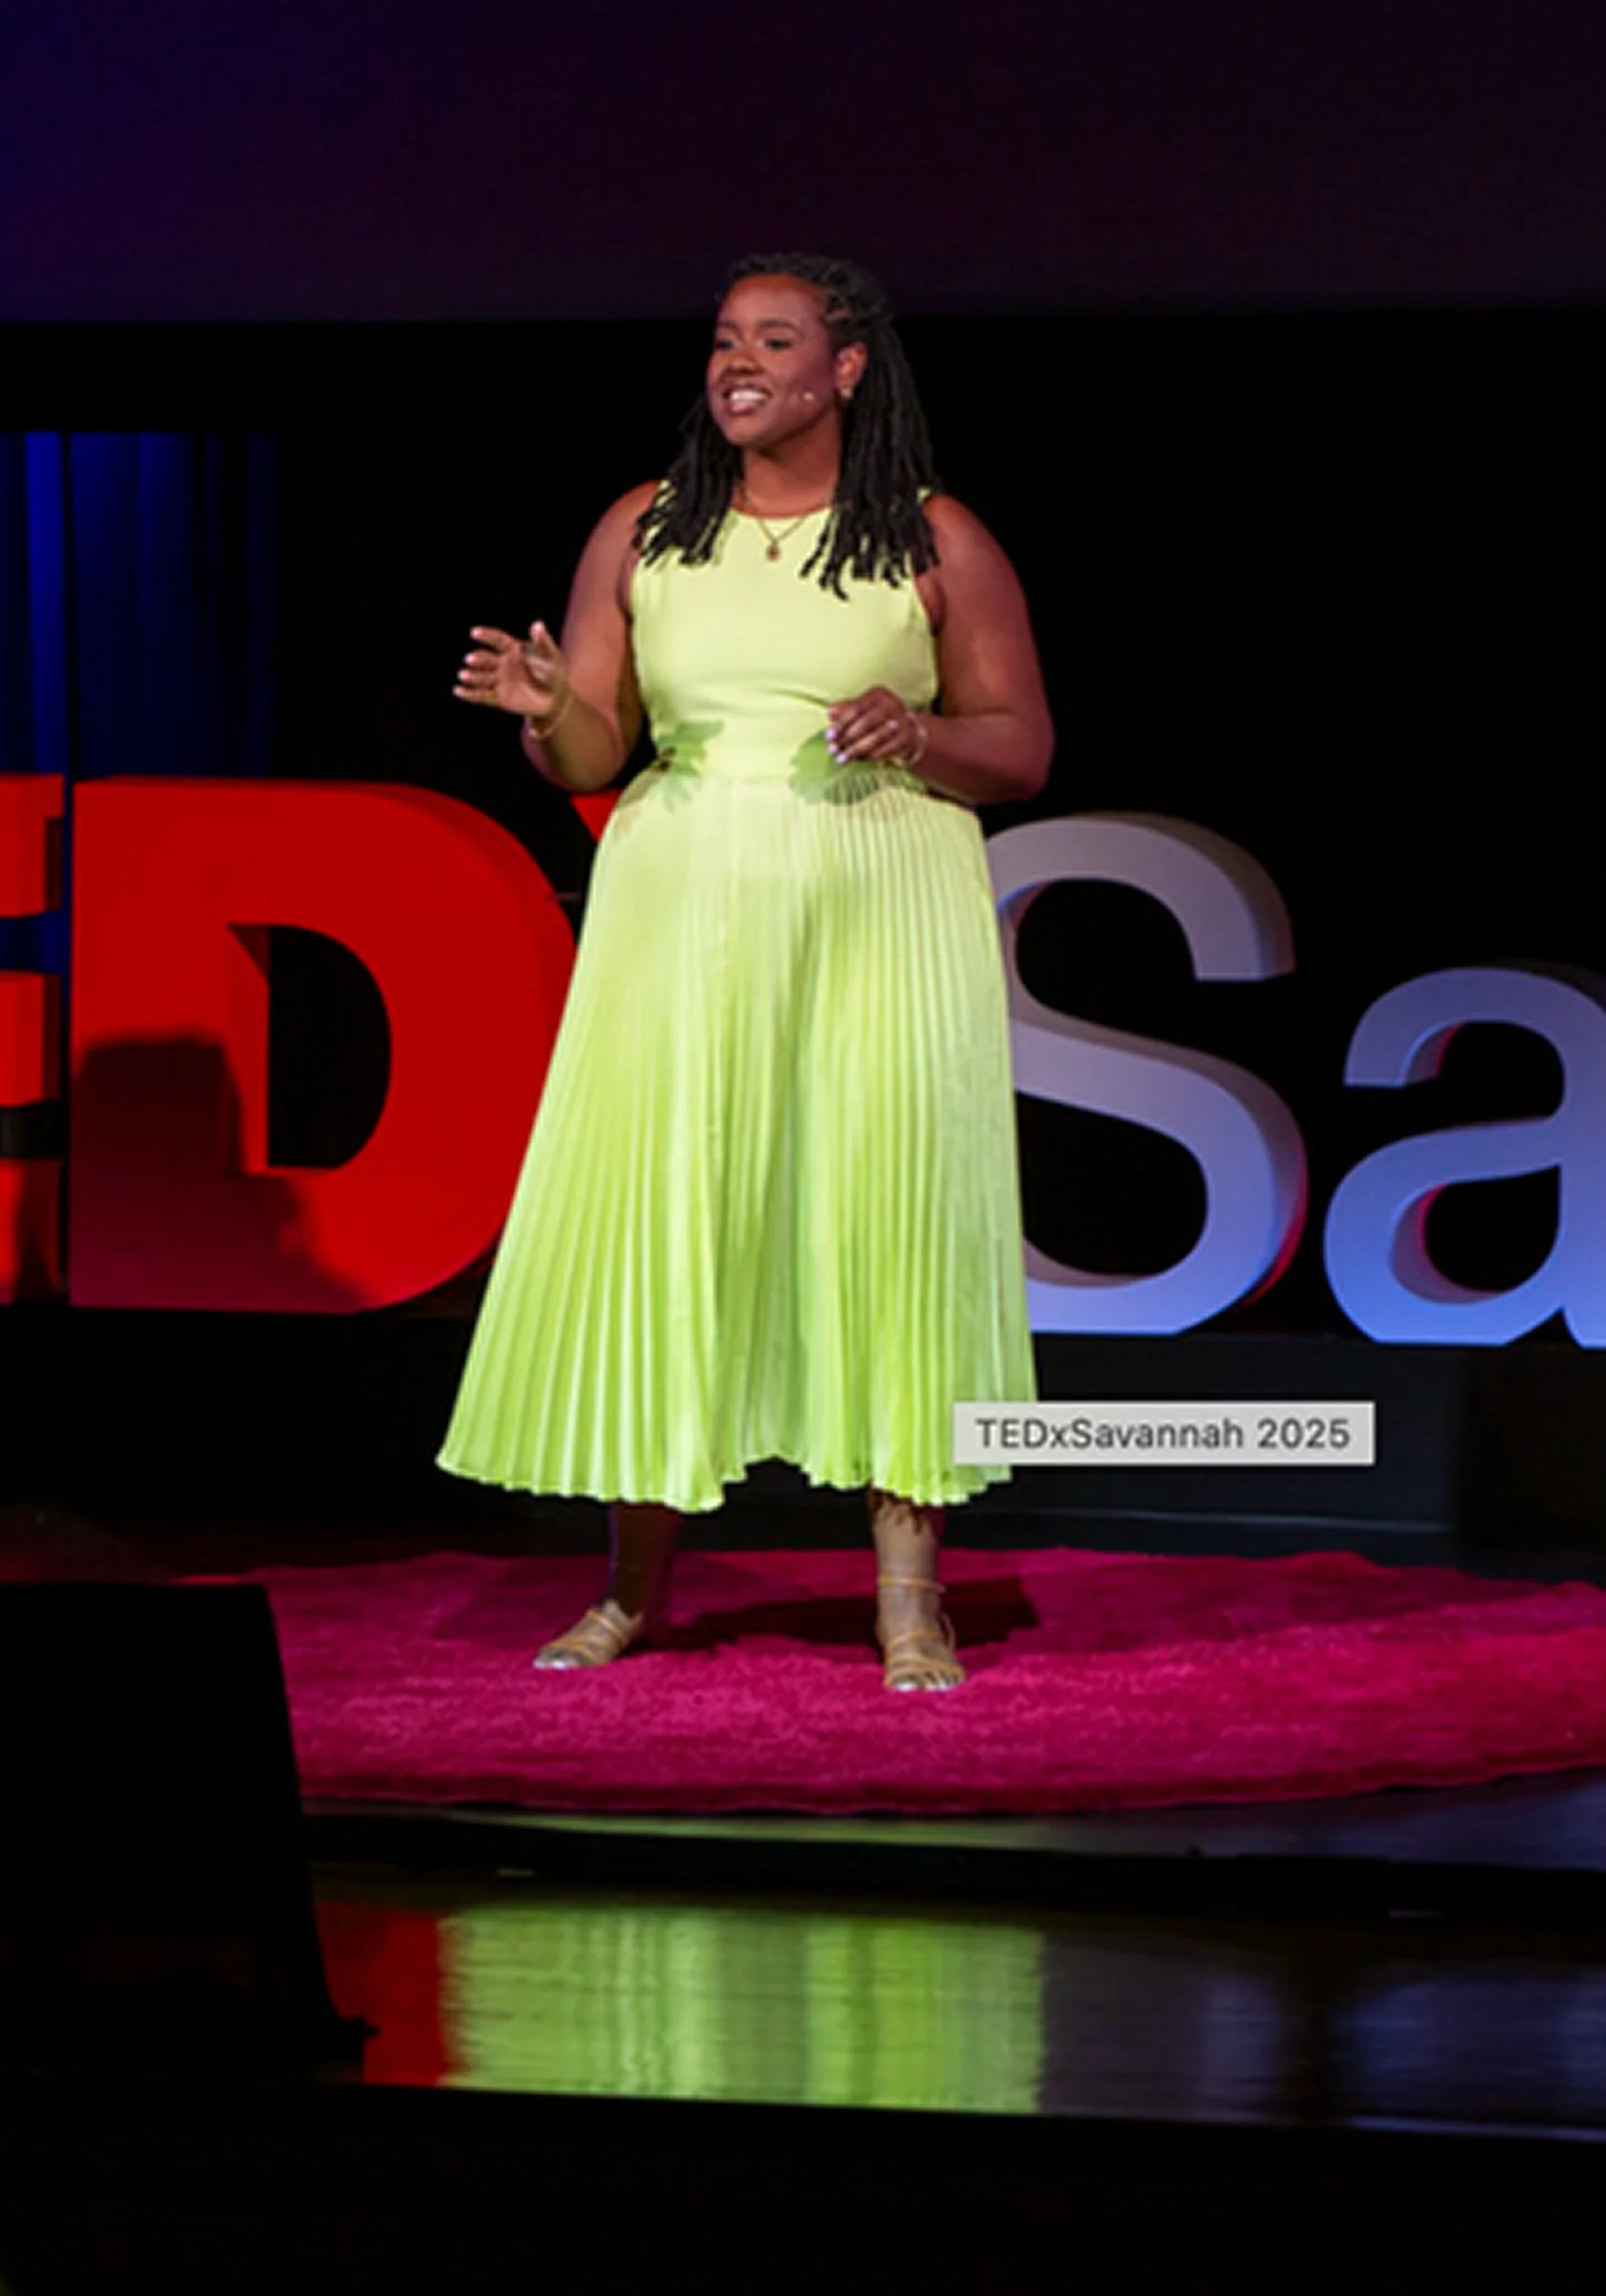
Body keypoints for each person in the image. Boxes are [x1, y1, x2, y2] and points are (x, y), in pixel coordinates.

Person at [440, 254, 1050, 1691]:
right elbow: (598, 750)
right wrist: (547, 716)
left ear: (845, 371)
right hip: (682, 907)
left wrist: (922, 734)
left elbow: (1020, 745)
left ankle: (911, 1603)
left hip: (881, 911)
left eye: (775, 340)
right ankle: (634, 1592)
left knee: (890, 1221)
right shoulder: (643, 531)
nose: (738, 362)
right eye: (724, 340)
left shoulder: (930, 536)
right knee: (670, 1217)